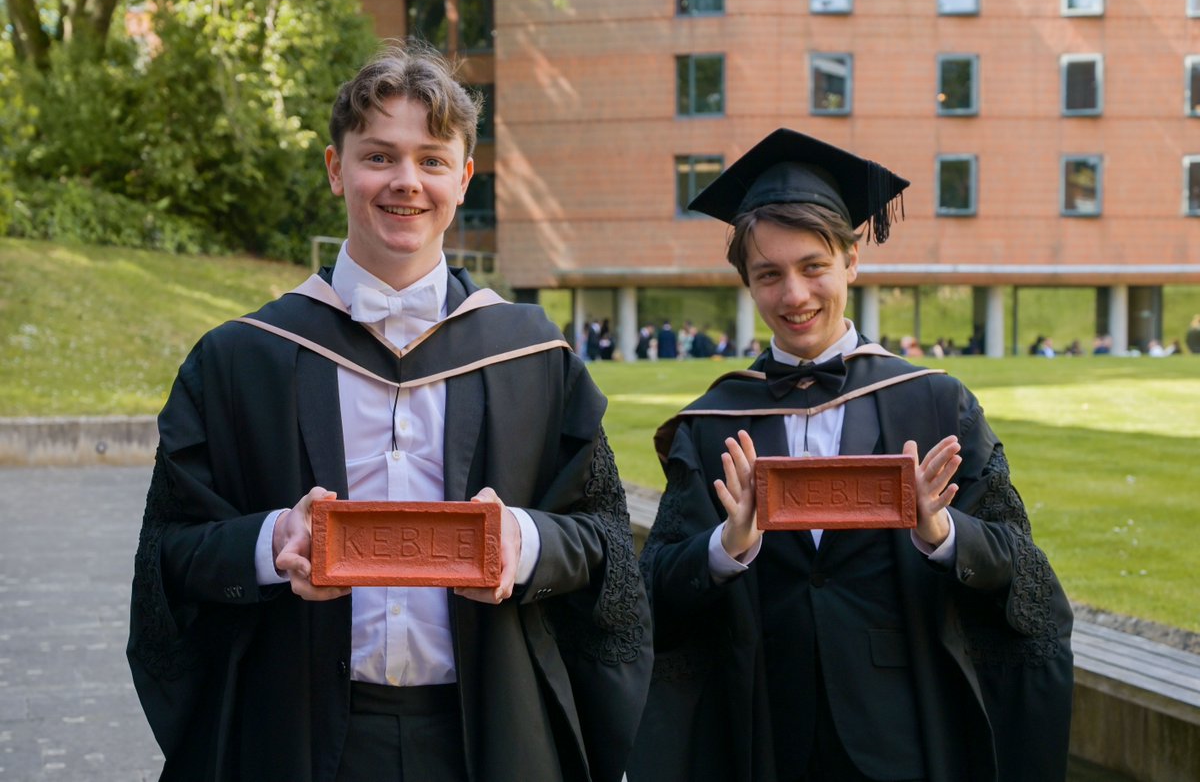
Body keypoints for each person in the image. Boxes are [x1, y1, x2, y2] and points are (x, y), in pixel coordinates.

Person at [127, 42, 652, 782]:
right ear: (337, 168)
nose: (406, 182)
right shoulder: (242, 358)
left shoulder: (533, 357)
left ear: (464, 177)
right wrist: (269, 541)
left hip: (493, 735)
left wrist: (522, 542)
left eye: (432, 160)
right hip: (298, 737)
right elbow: (167, 557)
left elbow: (606, 544)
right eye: (379, 156)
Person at [628, 129, 1073, 782]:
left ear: (852, 260)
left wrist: (943, 532)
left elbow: (1027, 576)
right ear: (745, 282)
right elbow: (647, 596)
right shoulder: (716, 422)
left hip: (907, 735)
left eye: (813, 266)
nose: (794, 296)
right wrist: (724, 546)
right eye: (769, 274)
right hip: (761, 736)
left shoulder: (935, 405)